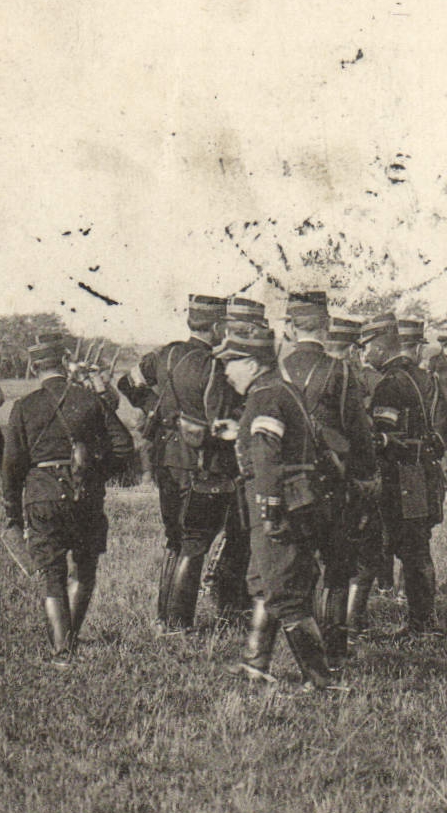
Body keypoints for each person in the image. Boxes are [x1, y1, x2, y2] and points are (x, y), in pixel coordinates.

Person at [219, 320, 347, 691]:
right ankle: (255, 662)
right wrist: (237, 431)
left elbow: (266, 455)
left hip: (277, 504)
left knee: (286, 593)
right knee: (263, 582)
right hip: (294, 499)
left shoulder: (265, 397)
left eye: (232, 362)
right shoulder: (280, 390)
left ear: (254, 363)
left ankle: (321, 681)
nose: (226, 372)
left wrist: (270, 508)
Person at [1, 336, 136, 664]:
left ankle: (62, 651)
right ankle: (71, 639)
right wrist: (94, 471)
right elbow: (124, 447)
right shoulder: (90, 400)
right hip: (84, 494)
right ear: (63, 361)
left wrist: (12, 513)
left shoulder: (23, 407)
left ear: (34, 367)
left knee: (53, 574)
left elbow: (12, 465)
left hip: (42, 496)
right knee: (85, 568)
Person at [280, 295, 376, 666]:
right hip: (332, 481)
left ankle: (300, 653)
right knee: (336, 567)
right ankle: (333, 651)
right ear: (325, 327)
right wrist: (367, 477)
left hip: (289, 481)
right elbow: (360, 432)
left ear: (291, 327)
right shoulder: (342, 371)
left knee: (294, 566)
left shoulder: (277, 369)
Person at [149, 294, 250, 634]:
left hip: (165, 457)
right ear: (219, 326)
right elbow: (220, 420)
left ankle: (163, 618)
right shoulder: (213, 366)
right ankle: (178, 624)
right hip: (201, 463)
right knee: (195, 543)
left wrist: (167, 417)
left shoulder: (167, 353)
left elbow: (127, 384)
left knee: (175, 540)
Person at [361, 311, 447, 636]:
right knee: (418, 548)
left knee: (405, 549)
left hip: (402, 475)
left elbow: (385, 435)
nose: (365, 353)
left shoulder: (390, 384)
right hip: (422, 471)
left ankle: (420, 625)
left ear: (382, 346)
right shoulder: (421, 377)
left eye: (367, 346)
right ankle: (423, 621)